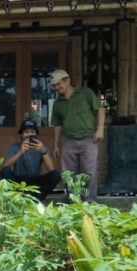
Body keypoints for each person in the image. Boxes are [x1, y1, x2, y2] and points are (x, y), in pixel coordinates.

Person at [50, 69, 105, 201]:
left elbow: (100, 109)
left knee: (89, 173)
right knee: (69, 174)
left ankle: (89, 203)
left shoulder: (85, 93)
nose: (56, 88)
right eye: (54, 85)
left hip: (88, 139)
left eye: (58, 84)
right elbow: (57, 125)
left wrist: (100, 129)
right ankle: (73, 202)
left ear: (67, 80)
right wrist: (56, 144)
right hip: (68, 140)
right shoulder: (58, 103)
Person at [0, 119, 61, 201]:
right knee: (5, 172)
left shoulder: (42, 147)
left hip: (36, 181)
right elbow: (6, 166)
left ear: (36, 134)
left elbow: (51, 169)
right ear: (21, 135)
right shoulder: (15, 147)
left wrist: (43, 151)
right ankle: (18, 198)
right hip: (19, 180)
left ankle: (37, 200)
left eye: (32, 132)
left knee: (55, 175)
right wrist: (21, 152)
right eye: (26, 132)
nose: (29, 135)